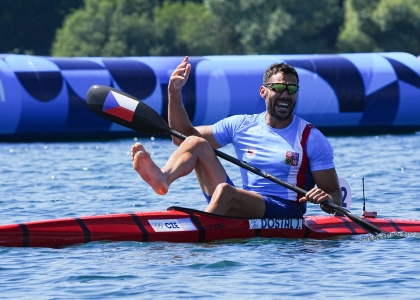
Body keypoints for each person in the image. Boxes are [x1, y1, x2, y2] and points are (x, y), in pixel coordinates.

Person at [131, 56, 342, 218]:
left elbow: (335, 194)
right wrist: (174, 93)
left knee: (225, 192)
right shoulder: (242, 125)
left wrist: (325, 199)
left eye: (291, 89)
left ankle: (200, 233)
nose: (285, 94)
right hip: (245, 203)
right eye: (278, 88)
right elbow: (181, 139)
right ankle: (163, 178)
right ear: (263, 92)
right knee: (195, 142)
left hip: (286, 211)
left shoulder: (311, 138)